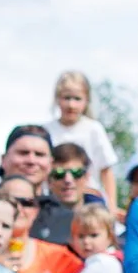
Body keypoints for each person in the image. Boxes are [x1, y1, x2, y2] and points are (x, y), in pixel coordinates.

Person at [50, 71, 118, 201]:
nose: (71, 105)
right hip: (55, 195)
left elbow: (106, 171)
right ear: (57, 99)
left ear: (86, 101)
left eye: (77, 99)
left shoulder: (93, 129)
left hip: (88, 195)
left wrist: (112, 207)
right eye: (66, 98)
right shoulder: (48, 130)